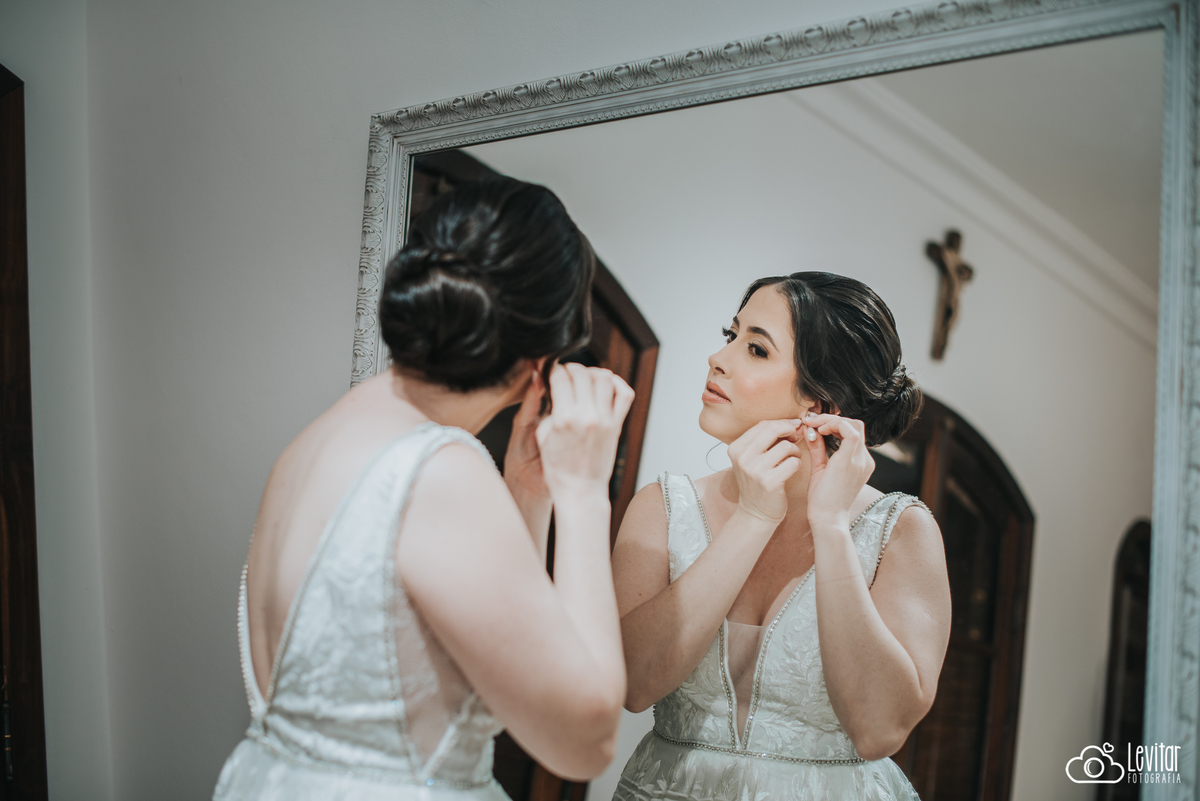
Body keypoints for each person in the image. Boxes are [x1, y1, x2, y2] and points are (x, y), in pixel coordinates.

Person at [214, 178, 634, 800]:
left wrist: (530, 493)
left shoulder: (315, 444)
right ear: (542, 355)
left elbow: (426, 654)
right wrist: (583, 492)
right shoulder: (438, 470)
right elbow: (584, 743)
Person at [611, 272, 952, 801]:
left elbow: (879, 729)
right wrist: (753, 517)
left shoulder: (901, 532)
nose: (717, 358)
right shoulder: (662, 506)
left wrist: (833, 528)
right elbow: (632, 685)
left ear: (818, 404)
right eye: (730, 334)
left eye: (755, 348)